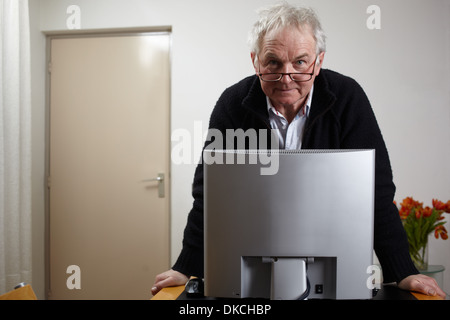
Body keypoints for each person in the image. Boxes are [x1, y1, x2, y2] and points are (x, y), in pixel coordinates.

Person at [152, 3, 446, 298]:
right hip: (250, 270)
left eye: (300, 63)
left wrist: (403, 271)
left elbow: (376, 191)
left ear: (318, 62)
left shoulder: (347, 99)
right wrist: (185, 266)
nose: (286, 76)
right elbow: (209, 194)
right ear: (255, 62)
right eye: (273, 63)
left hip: (335, 269)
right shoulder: (232, 104)